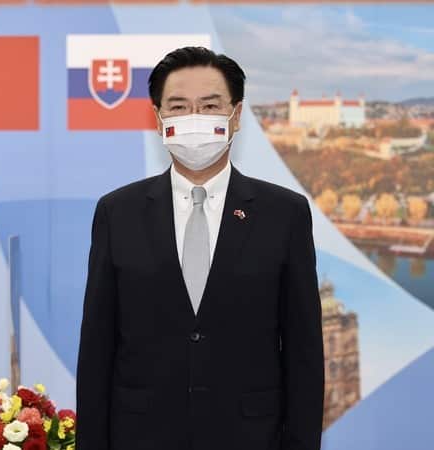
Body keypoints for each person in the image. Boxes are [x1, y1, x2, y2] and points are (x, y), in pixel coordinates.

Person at [76, 46, 323, 450]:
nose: (194, 118)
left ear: (236, 116)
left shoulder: (285, 213)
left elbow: (304, 350)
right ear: (158, 118)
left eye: (210, 106)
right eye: (178, 106)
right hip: (141, 436)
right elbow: (97, 347)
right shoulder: (117, 212)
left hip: (251, 437)